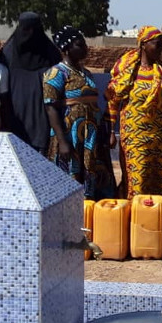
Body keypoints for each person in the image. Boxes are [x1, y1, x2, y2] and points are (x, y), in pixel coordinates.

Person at [43, 26, 116, 199]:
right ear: (66, 49)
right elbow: (51, 108)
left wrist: (104, 133)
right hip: (71, 136)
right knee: (70, 179)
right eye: (79, 44)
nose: (85, 48)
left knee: (96, 179)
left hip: (91, 137)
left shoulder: (87, 73)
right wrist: (62, 141)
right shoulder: (55, 73)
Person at [107, 26, 162, 198]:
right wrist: (110, 130)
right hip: (135, 136)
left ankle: (160, 218)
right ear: (144, 44)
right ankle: (135, 218)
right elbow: (112, 99)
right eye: (156, 44)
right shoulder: (129, 72)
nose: (160, 48)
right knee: (137, 179)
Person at [0, 12, 61, 153]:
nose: (30, 34)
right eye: (25, 29)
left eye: (34, 29)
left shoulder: (51, 54)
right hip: (15, 116)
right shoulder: (8, 54)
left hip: (42, 117)